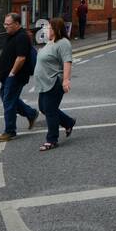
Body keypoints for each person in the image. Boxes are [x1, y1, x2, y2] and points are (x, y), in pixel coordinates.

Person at [0, 12, 38, 143]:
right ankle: (31, 113)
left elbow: (21, 58)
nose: (5, 27)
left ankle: (10, 131)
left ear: (17, 24)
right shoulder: (12, 35)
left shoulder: (22, 37)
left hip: (16, 76)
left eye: (8, 24)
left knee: (8, 101)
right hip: (8, 77)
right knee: (7, 98)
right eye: (5, 24)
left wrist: (12, 74)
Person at [32, 17, 74, 150]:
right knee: (44, 108)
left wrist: (66, 80)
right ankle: (68, 122)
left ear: (55, 29)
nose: (47, 29)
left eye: (49, 27)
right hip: (44, 82)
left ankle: (52, 139)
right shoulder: (50, 42)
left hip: (54, 81)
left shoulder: (63, 43)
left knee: (50, 110)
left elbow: (67, 61)